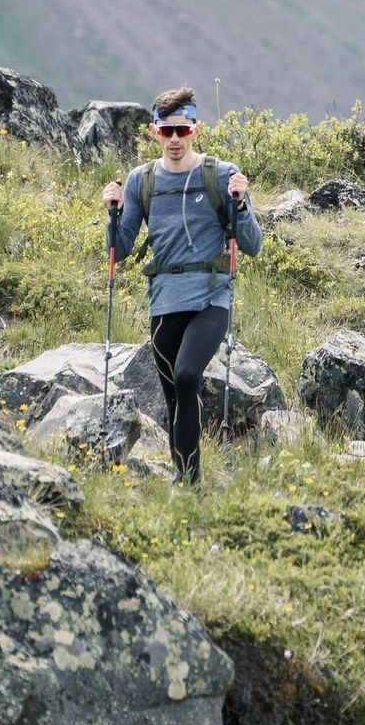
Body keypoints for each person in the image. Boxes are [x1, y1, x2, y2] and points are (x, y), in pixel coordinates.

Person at [102, 88, 263, 480]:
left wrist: (240, 204)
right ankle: (185, 482)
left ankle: (189, 485)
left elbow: (253, 245)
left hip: (211, 298)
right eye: (166, 130)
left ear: (195, 129)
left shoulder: (221, 175)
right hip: (164, 302)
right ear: (154, 131)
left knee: (188, 375)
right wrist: (113, 212)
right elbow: (120, 249)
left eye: (182, 130)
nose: (175, 139)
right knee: (175, 397)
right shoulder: (143, 181)